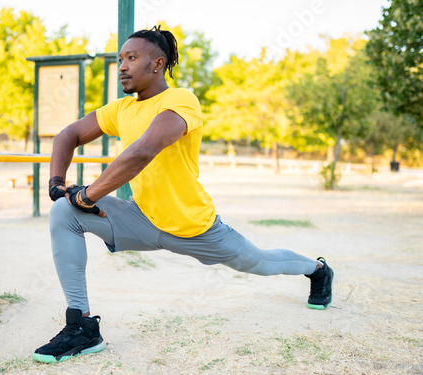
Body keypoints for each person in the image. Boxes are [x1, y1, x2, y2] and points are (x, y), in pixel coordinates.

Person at [32, 26, 334, 364]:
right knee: (64, 212)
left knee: (258, 261)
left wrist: (88, 194)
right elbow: (68, 134)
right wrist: (57, 184)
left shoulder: (180, 100)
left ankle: (317, 269)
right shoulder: (121, 109)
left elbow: (143, 151)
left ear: (158, 64)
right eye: (120, 59)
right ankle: (82, 327)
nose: (122, 66)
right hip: (141, 220)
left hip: (194, 227)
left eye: (132, 58)